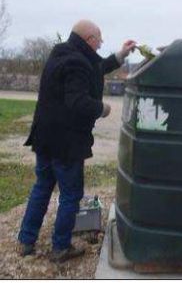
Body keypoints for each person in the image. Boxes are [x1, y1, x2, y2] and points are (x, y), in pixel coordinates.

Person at [17, 20, 136, 263]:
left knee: (42, 187)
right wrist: (102, 108)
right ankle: (60, 247)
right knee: (71, 194)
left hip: (45, 138)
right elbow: (78, 102)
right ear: (89, 39)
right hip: (66, 143)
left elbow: (97, 67)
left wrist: (121, 55)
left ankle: (26, 241)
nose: (101, 43)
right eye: (100, 39)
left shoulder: (62, 53)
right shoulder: (77, 62)